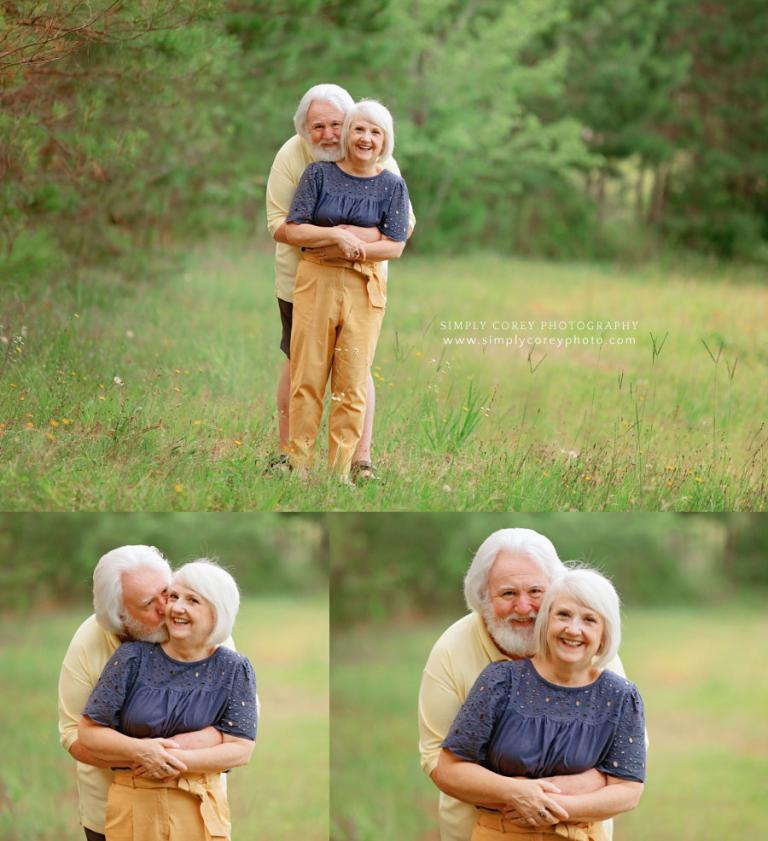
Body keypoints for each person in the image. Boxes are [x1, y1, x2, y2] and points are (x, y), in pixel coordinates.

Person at [418, 529, 635, 841]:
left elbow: (625, 765)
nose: (524, 608)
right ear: (483, 597)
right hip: (478, 830)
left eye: (536, 592)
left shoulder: (592, 654)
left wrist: (541, 797)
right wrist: (515, 793)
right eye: (508, 594)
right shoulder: (453, 649)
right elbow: (437, 758)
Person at [265, 83, 415, 481]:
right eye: (319, 126)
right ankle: (293, 460)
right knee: (303, 369)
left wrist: (354, 239)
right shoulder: (305, 165)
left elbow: (400, 234)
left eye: (338, 124)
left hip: (364, 284)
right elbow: (285, 226)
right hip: (303, 278)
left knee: (354, 374)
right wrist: (334, 237)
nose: (329, 134)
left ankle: (350, 465)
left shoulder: (389, 174)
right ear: (304, 129)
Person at [58, 546, 236, 841]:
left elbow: (239, 724)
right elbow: (72, 733)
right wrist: (141, 756)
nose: (167, 608)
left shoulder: (207, 632)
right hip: (112, 813)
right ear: (120, 615)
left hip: (197, 808)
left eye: (166, 592)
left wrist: (168, 754)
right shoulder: (89, 642)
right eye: (147, 603)